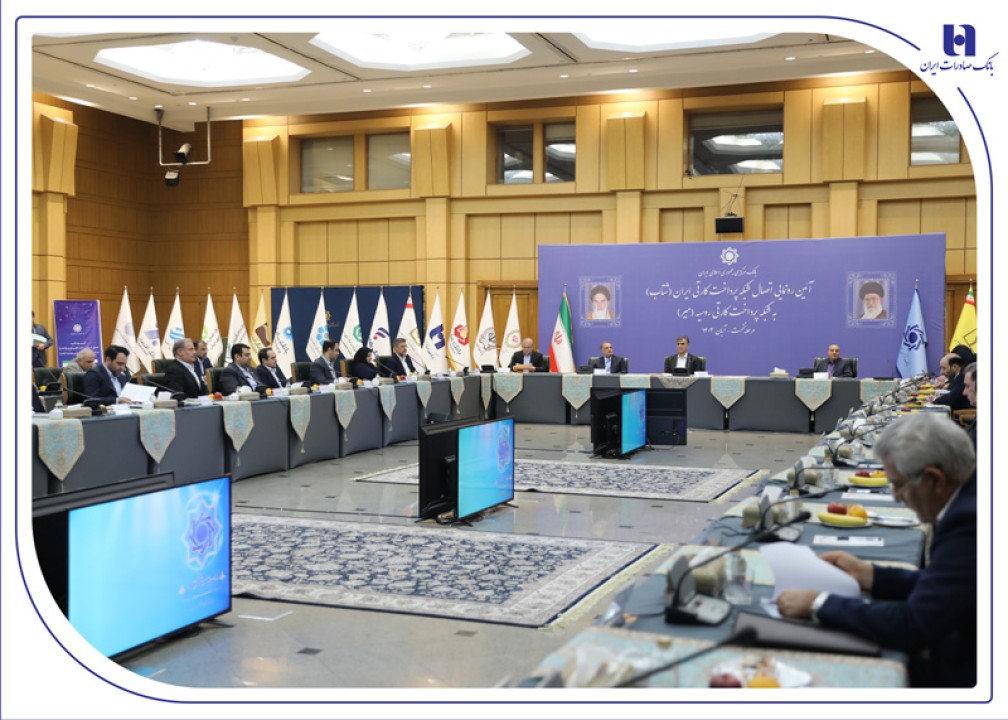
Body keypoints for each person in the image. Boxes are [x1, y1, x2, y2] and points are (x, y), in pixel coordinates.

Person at [776, 413, 976, 687]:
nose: (895, 497)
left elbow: (913, 625)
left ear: (935, 479)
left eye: (899, 484)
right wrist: (870, 575)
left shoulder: (967, 521)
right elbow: (949, 585)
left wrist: (818, 603)